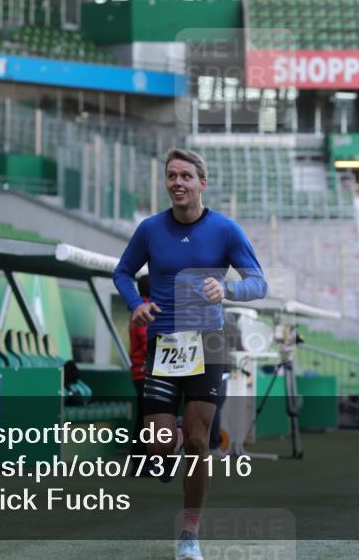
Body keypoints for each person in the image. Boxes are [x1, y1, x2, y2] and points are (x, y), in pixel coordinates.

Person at [113, 148, 268, 560]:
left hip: (209, 341)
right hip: (165, 344)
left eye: (185, 176)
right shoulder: (150, 229)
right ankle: (175, 437)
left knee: (200, 442)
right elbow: (122, 272)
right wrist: (135, 304)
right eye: (171, 176)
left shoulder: (226, 230)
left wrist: (229, 289)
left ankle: (189, 535)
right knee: (159, 444)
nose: (177, 183)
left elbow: (259, 282)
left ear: (203, 182)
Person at [129, 276, 150, 462]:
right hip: (145, 372)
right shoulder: (145, 310)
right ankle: (141, 462)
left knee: (144, 417)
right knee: (147, 418)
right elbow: (146, 341)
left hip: (139, 371)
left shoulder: (139, 308)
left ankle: (140, 461)